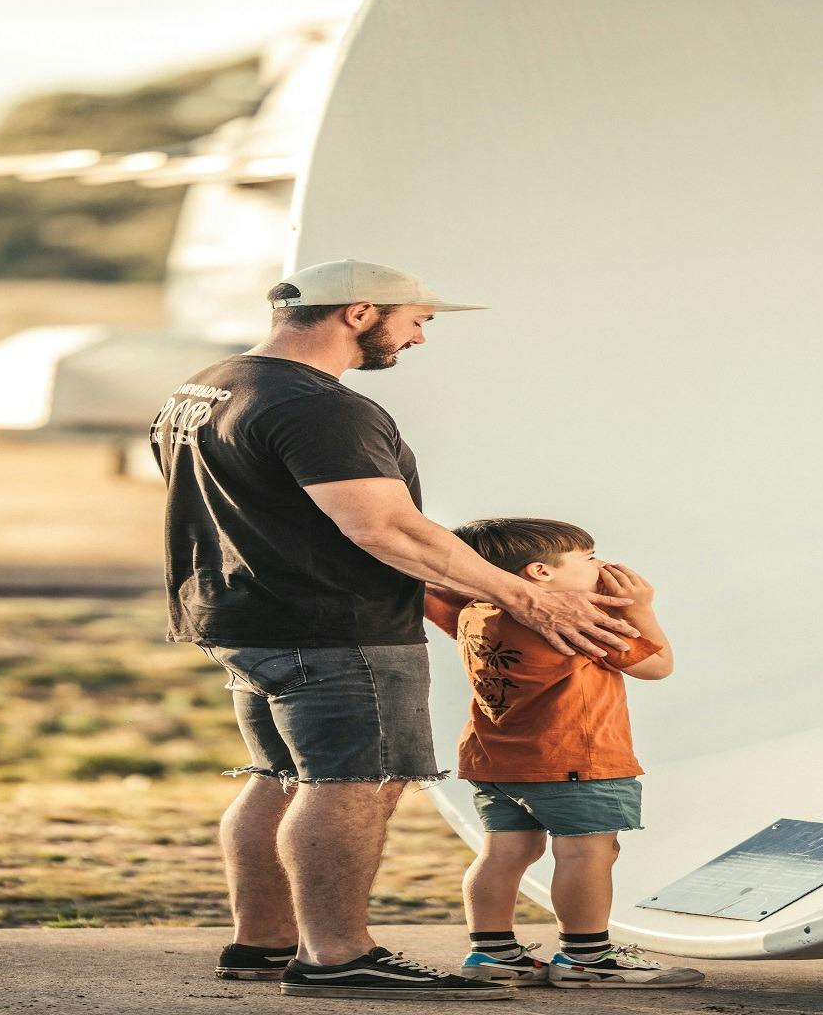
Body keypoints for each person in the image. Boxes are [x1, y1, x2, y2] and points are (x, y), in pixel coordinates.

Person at [148, 259, 640, 1002]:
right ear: (359, 312)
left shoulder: (208, 386)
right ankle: (338, 956)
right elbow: (385, 528)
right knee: (351, 782)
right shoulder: (322, 407)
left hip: (239, 616)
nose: (417, 339)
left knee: (279, 778)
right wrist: (527, 598)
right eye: (417, 321)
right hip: (334, 626)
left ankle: (263, 943)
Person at [427, 518, 705, 990]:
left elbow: (435, 591)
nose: (600, 565)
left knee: (504, 852)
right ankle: (586, 958)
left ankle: (491, 954)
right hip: (574, 758)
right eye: (588, 558)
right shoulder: (570, 617)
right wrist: (641, 607)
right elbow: (657, 665)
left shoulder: (475, 610)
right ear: (540, 573)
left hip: (497, 761)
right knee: (587, 854)